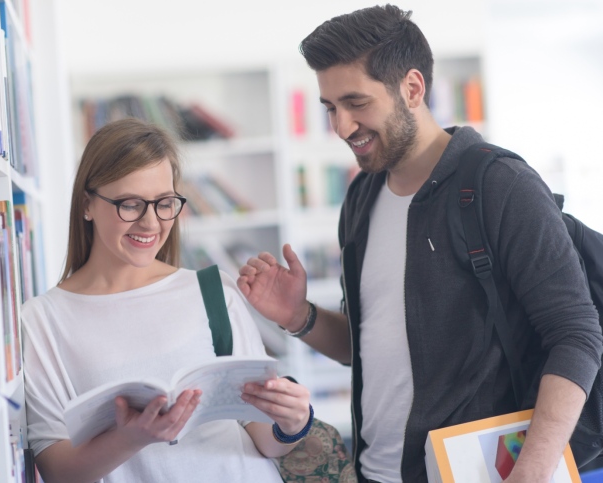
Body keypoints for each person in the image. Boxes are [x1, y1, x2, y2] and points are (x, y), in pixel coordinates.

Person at [237, 5, 603, 482]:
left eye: (356, 103)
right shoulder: (361, 196)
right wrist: (298, 316)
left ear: (412, 88)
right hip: (378, 471)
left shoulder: (499, 183)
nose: (342, 126)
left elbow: (576, 334)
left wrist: (531, 472)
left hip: (484, 471)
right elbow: (365, 347)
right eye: (330, 108)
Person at [21, 118, 312, 483]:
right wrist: (131, 439)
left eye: (164, 203)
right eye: (130, 204)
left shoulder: (213, 291)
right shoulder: (43, 320)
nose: (150, 223)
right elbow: (57, 471)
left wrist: (291, 422)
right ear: (87, 205)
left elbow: (265, 440)